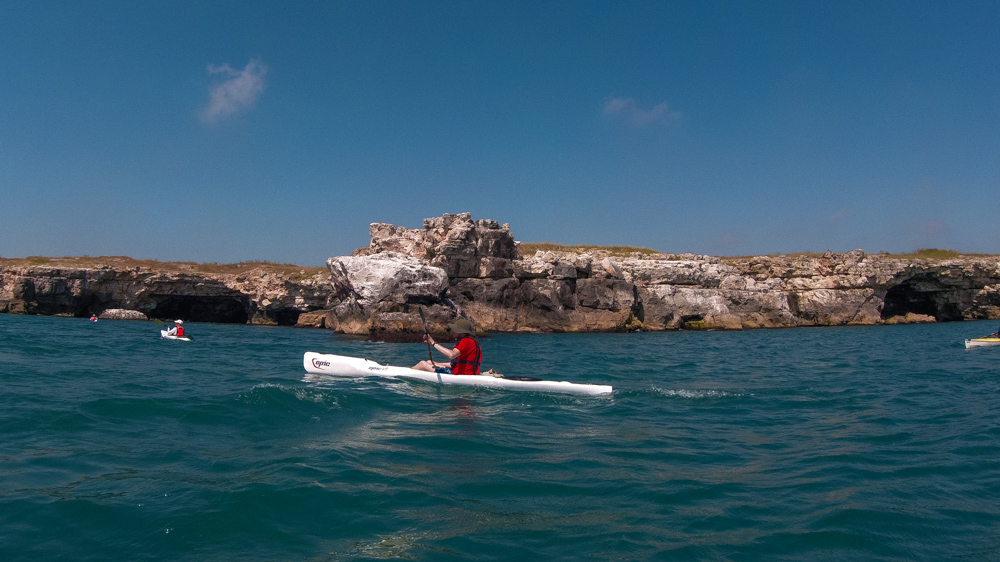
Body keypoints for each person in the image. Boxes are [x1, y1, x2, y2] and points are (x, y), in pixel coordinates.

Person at [413, 318, 482, 375]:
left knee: (422, 364)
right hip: (463, 372)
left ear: (461, 332)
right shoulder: (471, 342)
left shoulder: (466, 342)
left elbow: (451, 355)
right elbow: (455, 363)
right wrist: (437, 364)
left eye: (455, 330)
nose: (452, 332)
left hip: (459, 375)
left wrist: (433, 343)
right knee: (429, 362)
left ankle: (405, 379)